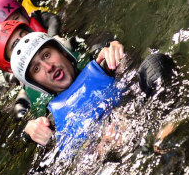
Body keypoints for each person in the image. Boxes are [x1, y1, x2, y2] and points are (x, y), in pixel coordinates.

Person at [10, 33, 174, 151]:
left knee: (155, 63)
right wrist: (30, 133)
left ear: (62, 52)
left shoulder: (104, 66)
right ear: (36, 84)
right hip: (108, 156)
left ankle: (170, 127)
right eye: (36, 68)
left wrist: (119, 53)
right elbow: (19, 149)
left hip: (144, 119)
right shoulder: (51, 124)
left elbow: (135, 72)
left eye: (47, 55)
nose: (48, 67)